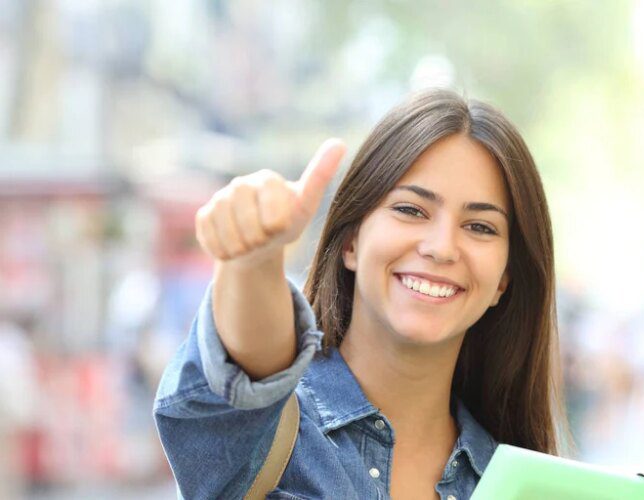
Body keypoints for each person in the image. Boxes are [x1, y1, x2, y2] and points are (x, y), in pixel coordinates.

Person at [154, 88, 573, 499]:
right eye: (411, 210)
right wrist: (254, 260)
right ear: (352, 241)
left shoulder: (524, 485)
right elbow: (252, 370)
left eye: (480, 227)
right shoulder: (269, 438)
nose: (441, 247)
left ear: (503, 279)